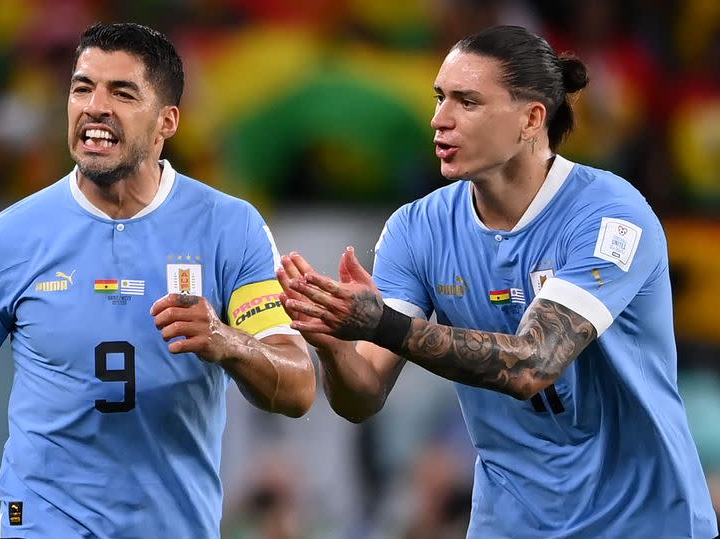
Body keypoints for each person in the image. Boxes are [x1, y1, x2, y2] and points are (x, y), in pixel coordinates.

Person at [278, 25, 719, 538]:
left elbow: (534, 363)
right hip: (510, 525)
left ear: (531, 119)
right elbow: (363, 396)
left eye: (467, 102)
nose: (439, 119)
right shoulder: (417, 229)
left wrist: (381, 324)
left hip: (643, 523)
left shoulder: (610, 217)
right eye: (440, 98)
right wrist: (335, 344)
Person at [0, 22, 315, 539]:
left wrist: (225, 341)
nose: (94, 106)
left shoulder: (229, 228)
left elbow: (298, 386)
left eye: (122, 92)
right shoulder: (4, 241)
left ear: (166, 122)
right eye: (82, 87)